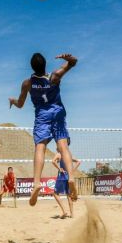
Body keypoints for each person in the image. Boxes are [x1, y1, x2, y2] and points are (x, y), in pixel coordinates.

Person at [9, 53, 78, 206]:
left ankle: (36, 183)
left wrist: (12, 101)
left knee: (40, 148)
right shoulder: (54, 77)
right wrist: (68, 59)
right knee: (63, 146)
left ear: (32, 67)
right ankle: (71, 177)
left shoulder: (27, 83)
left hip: (42, 117)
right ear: (45, 65)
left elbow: (20, 104)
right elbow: (73, 63)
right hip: (57, 113)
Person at [52, 149, 80, 218]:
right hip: (69, 176)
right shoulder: (69, 155)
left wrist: (59, 168)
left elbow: (53, 161)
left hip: (61, 176)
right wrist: (73, 170)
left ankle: (64, 211)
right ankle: (72, 214)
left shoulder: (59, 154)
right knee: (69, 195)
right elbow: (78, 162)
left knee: (55, 193)